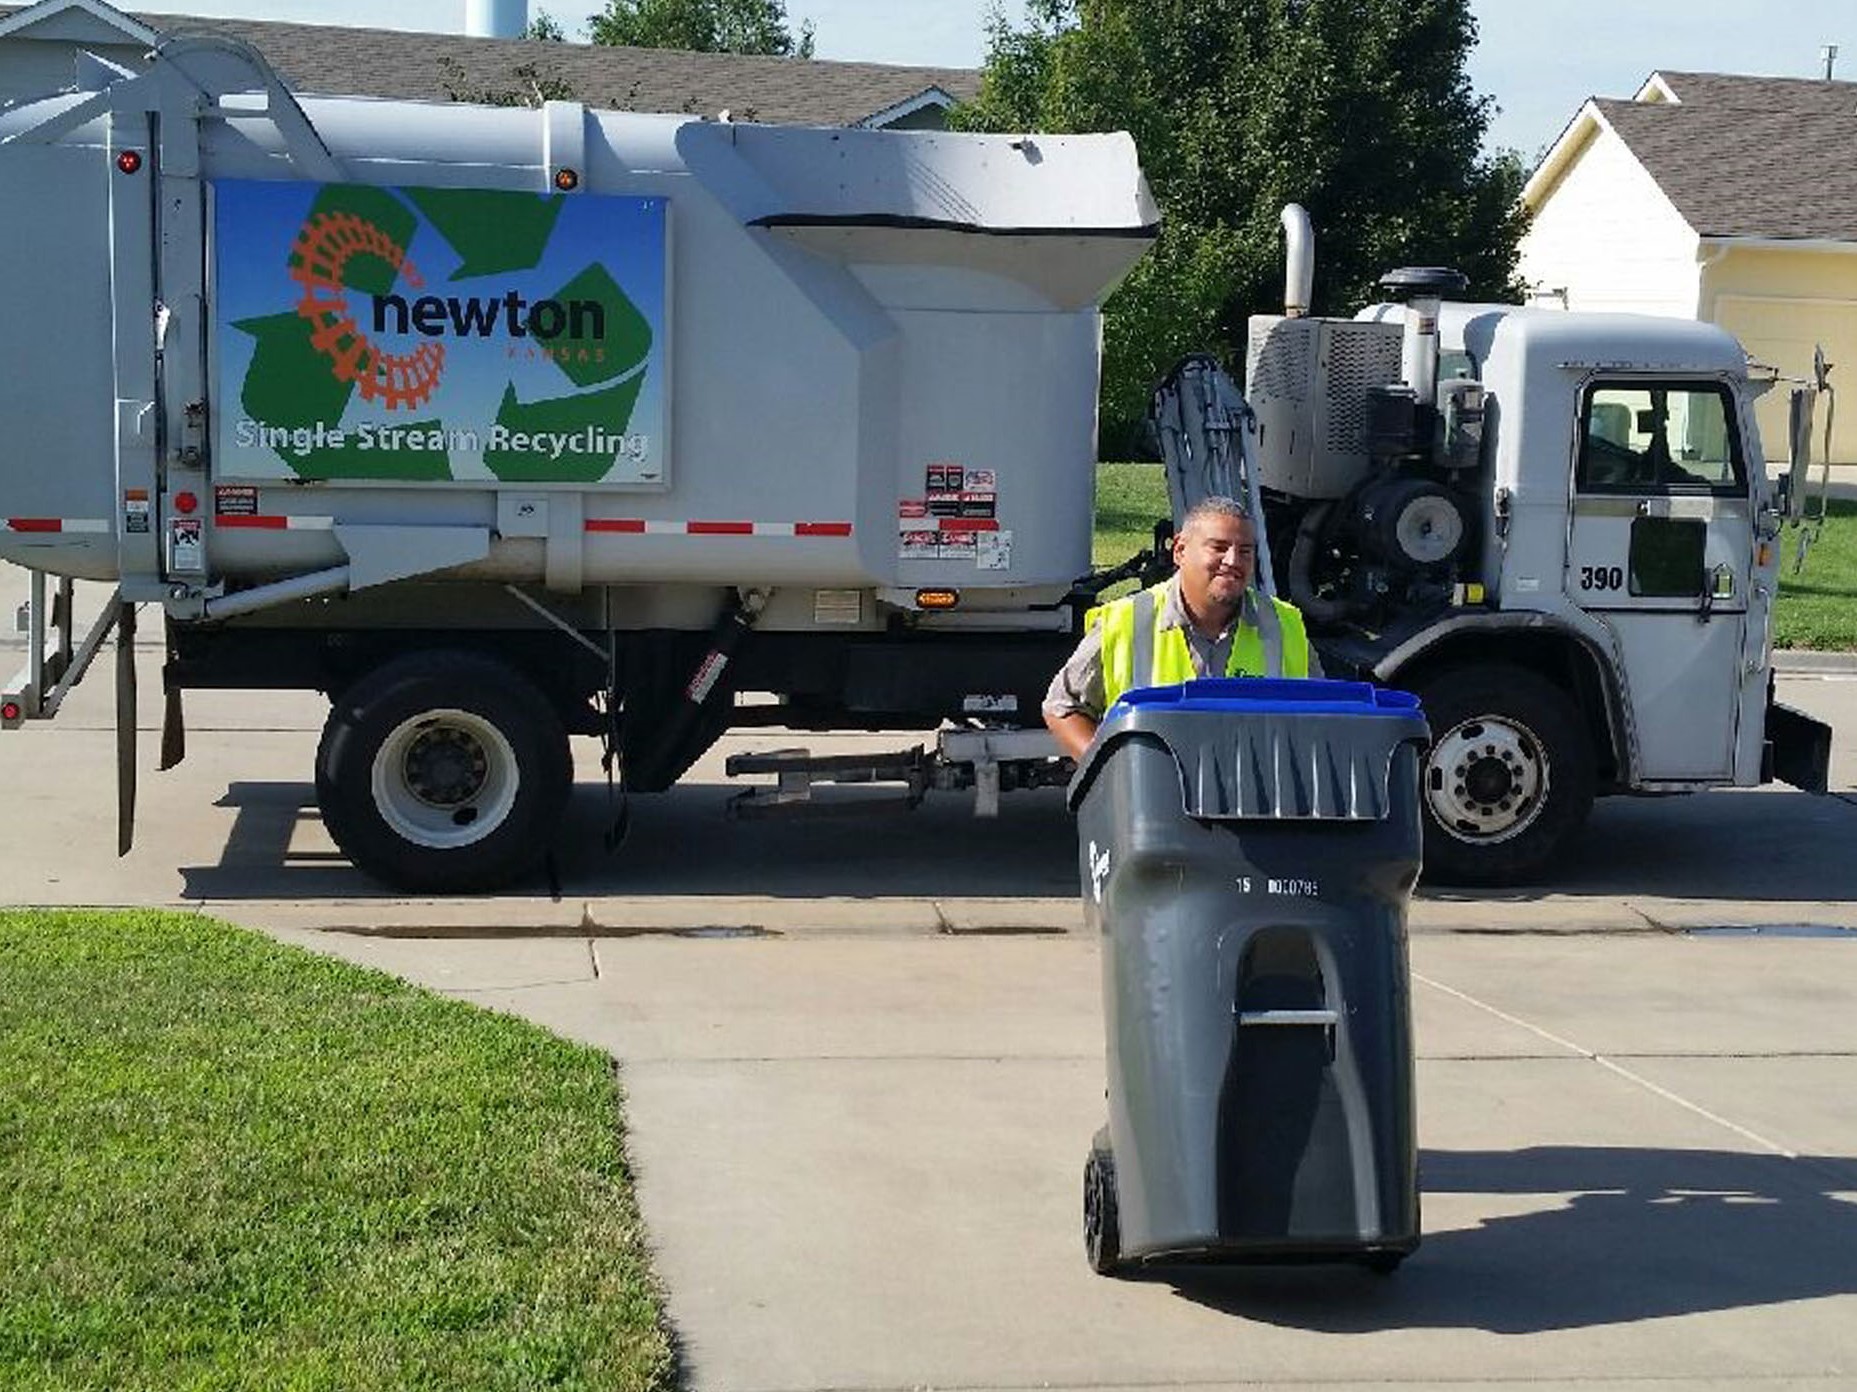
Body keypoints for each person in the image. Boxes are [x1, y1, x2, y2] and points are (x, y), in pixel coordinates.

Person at [1043, 496, 1316, 760]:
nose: (1233, 561)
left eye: (1245, 551)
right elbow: (1062, 708)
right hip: (1158, 804)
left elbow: (1325, 715)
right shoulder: (1125, 622)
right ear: (1180, 551)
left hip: (1257, 801)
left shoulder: (1284, 625)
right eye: (1219, 547)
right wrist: (1114, 778)